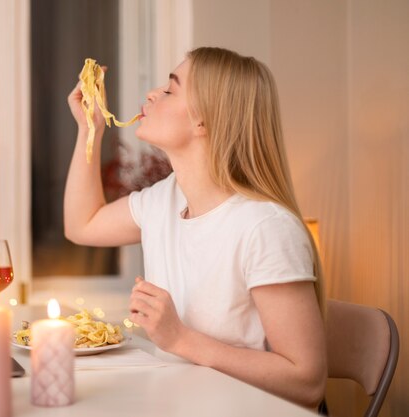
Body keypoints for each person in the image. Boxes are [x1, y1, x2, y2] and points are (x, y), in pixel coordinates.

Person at [64, 46, 327, 409]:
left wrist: (180, 339)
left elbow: (307, 381)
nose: (152, 93)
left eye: (171, 90)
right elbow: (83, 225)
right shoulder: (165, 200)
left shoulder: (265, 228)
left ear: (203, 122)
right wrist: (88, 130)